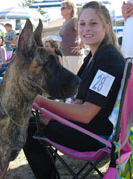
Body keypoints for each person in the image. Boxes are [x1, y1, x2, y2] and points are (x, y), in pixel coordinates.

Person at [23, 1, 125, 179]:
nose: (86, 28)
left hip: (94, 136)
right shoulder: (94, 56)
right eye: (82, 24)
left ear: (107, 27)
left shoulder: (108, 61)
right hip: (87, 126)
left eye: (93, 23)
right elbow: (79, 100)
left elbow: (86, 113)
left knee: (27, 130)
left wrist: (42, 102)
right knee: (33, 122)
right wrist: (54, 115)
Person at [59, 0, 84, 74]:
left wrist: (80, 46)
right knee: (68, 80)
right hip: (65, 54)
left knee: (76, 77)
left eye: (63, 8)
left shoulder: (74, 21)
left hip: (74, 55)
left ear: (70, 9)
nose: (61, 10)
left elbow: (83, 32)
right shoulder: (64, 23)